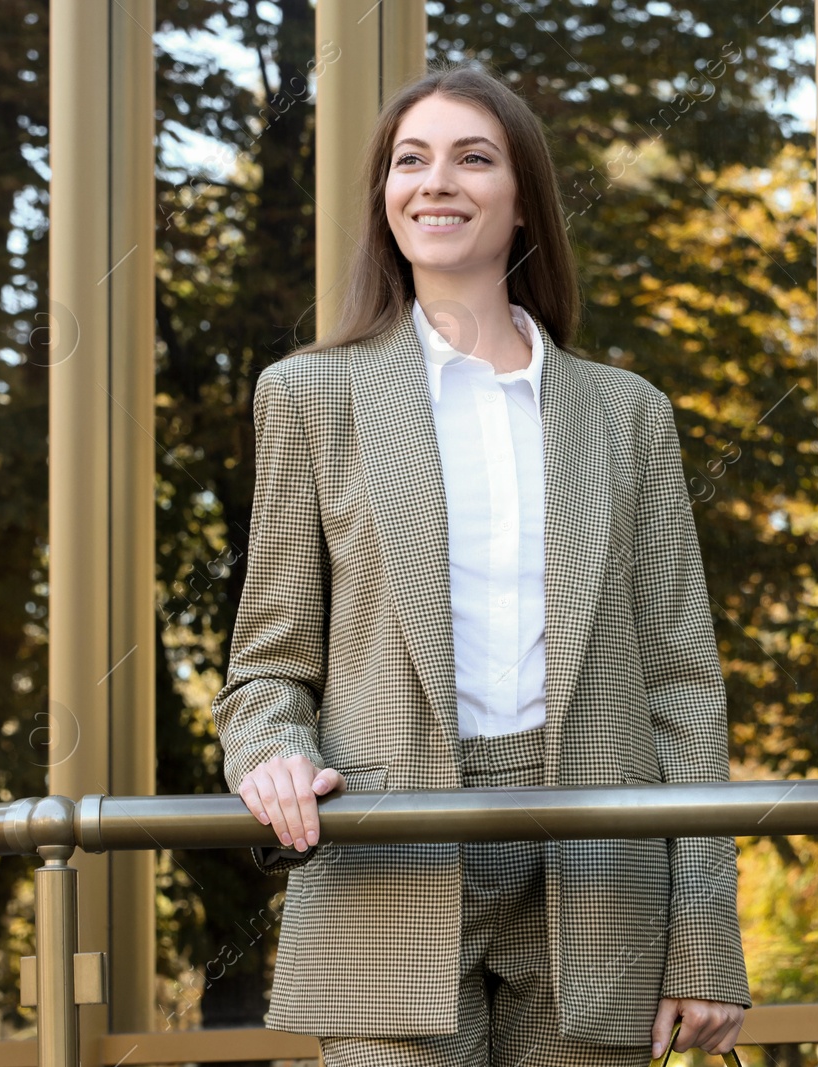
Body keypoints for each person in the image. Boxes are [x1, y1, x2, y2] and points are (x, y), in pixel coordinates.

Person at [210, 61, 750, 1067]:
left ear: (521, 197)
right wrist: (270, 750)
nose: (435, 181)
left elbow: (683, 687)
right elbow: (267, 664)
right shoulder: (308, 396)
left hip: (596, 859)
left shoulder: (627, 414)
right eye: (409, 161)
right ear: (384, 198)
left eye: (473, 158)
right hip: (386, 844)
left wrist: (704, 934)